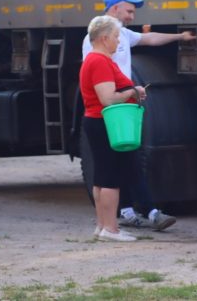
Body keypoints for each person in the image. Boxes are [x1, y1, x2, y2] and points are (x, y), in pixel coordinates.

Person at [82, 0, 196, 231]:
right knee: (120, 164)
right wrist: (132, 91)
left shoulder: (120, 34)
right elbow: (104, 93)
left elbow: (149, 38)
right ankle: (127, 219)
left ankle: (117, 218)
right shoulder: (97, 52)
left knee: (120, 163)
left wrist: (178, 37)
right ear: (114, 9)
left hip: (119, 109)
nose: (133, 16)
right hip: (114, 111)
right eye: (129, 10)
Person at [79, 15, 147, 242]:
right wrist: (133, 91)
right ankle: (111, 228)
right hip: (107, 122)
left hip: (98, 121)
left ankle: (102, 226)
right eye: (116, 36)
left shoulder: (94, 59)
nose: (119, 41)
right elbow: (108, 98)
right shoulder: (99, 61)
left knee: (101, 176)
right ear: (104, 38)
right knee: (110, 177)